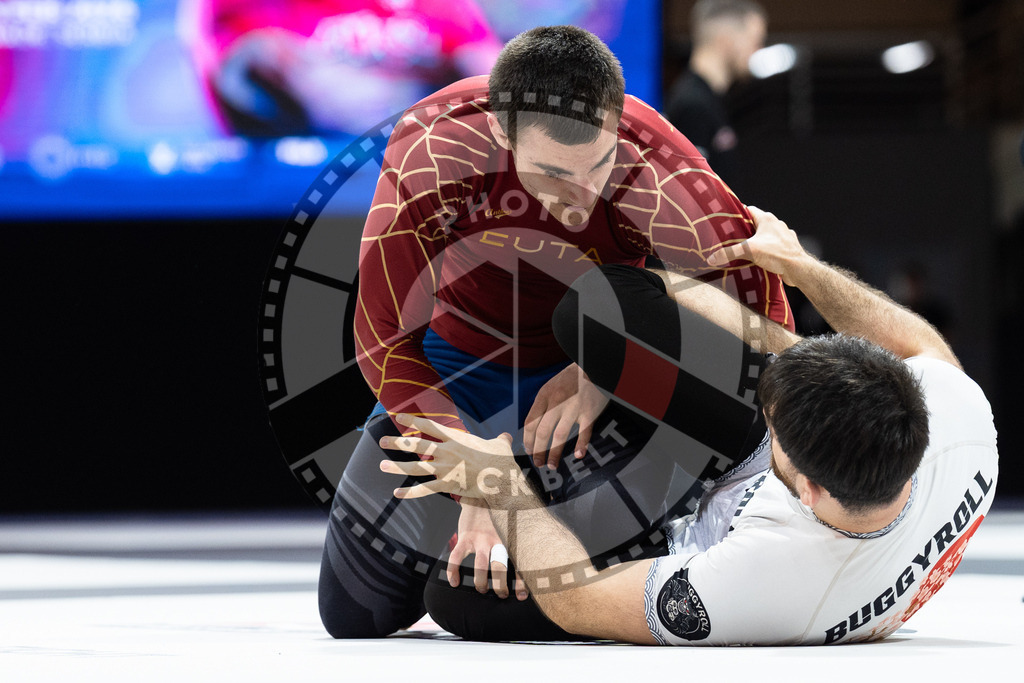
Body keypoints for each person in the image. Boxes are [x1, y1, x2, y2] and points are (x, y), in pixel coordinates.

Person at [319, 25, 794, 639]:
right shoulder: (431, 148)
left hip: (593, 394)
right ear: (500, 130)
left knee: (471, 605)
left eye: (598, 164)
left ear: (618, 123)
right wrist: (483, 488)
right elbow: (383, 335)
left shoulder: (663, 166)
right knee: (356, 614)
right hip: (458, 372)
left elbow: (762, 323)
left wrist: (612, 371)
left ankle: (665, 527)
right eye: (551, 173)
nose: (581, 195)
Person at [380, 206, 999, 645]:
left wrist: (502, 487)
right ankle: (634, 391)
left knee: (452, 595)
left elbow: (581, 603)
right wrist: (800, 268)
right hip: (789, 487)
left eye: (774, 426)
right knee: (601, 305)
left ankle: (599, 471)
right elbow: (922, 348)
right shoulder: (958, 418)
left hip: (696, 548)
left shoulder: (767, 585)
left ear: (804, 488)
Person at [663, 0, 766, 189]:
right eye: (755, 41)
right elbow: (690, 198)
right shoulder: (692, 105)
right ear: (726, 40)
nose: (757, 51)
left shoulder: (711, 101)